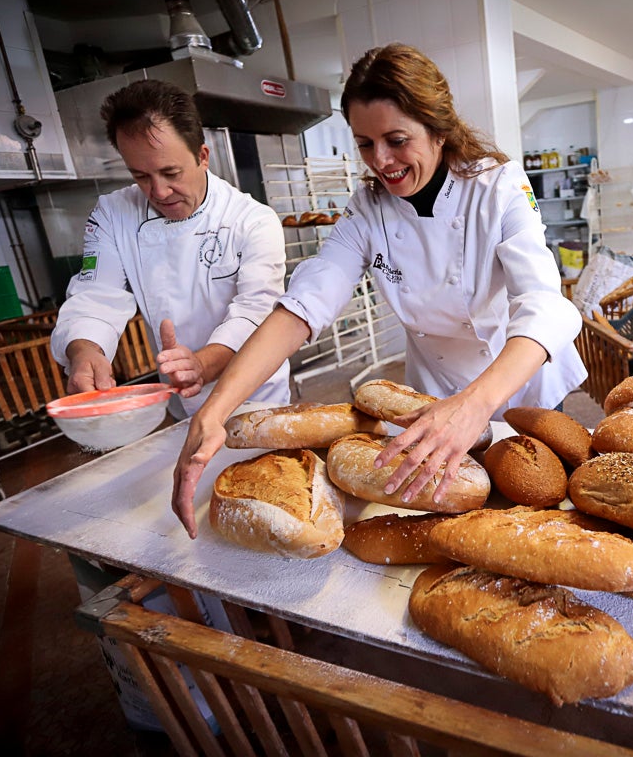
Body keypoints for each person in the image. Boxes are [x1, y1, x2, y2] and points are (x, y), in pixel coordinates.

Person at [171, 43, 588, 538]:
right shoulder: (368, 208)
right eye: (365, 144)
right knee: (455, 525)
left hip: (519, 380)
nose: (381, 162)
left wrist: (475, 405)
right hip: (434, 394)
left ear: (439, 129)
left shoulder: (497, 186)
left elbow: (545, 304)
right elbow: (304, 304)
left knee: (535, 518)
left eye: (395, 139)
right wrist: (215, 411)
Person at [50, 79, 291, 419]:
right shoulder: (112, 214)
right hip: (181, 400)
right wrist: (85, 349)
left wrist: (202, 364)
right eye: (141, 176)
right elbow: (95, 295)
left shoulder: (252, 220)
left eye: (170, 172)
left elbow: (256, 313)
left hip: (256, 400)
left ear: (202, 156)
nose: (159, 191)